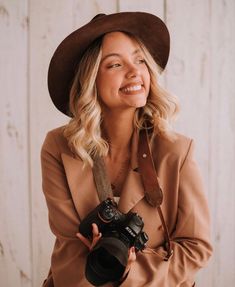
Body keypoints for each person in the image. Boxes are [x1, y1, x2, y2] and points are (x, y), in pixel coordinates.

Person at [41, 12, 213, 287]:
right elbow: (70, 248)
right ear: (90, 80)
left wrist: (128, 275)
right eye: (115, 64)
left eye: (140, 60)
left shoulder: (177, 151)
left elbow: (196, 248)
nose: (135, 71)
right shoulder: (58, 147)